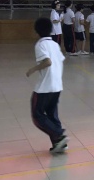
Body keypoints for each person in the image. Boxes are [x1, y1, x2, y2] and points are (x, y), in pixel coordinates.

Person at [26, 17, 68, 153]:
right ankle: (59, 144)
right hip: (57, 85)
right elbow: (59, 61)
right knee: (51, 114)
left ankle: (59, 134)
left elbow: (48, 62)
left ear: (36, 31)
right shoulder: (55, 44)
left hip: (44, 87)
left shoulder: (40, 45)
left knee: (37, 115)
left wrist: (33, 69)